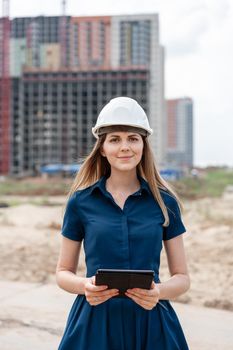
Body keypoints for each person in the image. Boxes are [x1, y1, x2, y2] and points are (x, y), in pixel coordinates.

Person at [56, 96, 190, 349]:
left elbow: (182, 277)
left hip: (152, 323)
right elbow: (62, 273)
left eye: (133, 138)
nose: (125, 147)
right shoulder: (80, 202)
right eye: (115, 139)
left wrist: (158, 292)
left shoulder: (165, 203)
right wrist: (85, 285)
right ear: (103, 148)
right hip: (94, 323)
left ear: (143, 145)